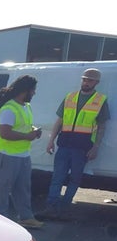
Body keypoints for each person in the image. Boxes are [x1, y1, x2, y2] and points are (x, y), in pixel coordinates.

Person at [43, 68, 109, 220]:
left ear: (96, 82)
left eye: (89, 80)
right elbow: (59, 121)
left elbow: (102, 127)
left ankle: (64, 208)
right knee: (57, 177)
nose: (86, 82)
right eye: (84, 79)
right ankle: (51, 207)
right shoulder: (70, 97)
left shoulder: (100, 100)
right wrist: (51, 140)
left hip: (82, 147)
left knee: (74, 179)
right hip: (64, 143)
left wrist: (95, 147)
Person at [0, 75, 44, 229]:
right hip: (6, 154)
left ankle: (26, 217)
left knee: (23, 188)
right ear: (25, 90)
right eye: (33, 90)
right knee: (3, 189)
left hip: (22, 154)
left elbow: (22, 125)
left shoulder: (26, 106)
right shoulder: (8, 109)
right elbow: (5, 133)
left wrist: (33, 131)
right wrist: (27, 136)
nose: (34, 93)